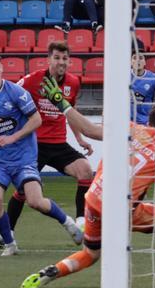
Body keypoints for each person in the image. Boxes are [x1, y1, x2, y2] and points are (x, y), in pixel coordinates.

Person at [20, 95, 155, 288]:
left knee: (91, 253)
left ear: (150, 122)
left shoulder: (130, 128)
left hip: (93, 199)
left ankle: (52, 271)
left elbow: (89, 130)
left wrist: (63, 105)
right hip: (120, 209)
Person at [0, 52, 83, 256]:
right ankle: (10, 244)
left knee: (35, 201)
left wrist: (14, 137)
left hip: (24, 159)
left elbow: (36, 120)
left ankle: (68, 223)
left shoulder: (16, 92)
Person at [6, 41, 96, 230]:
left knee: (85, 170)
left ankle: (80, 222)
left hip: (58, 144)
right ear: (48, 60)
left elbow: (70, 112)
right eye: (56, 58)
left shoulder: (73, 82)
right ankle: (8, 234)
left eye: (65, 58)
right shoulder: (31, 80)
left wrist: (79, 138)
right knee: (23, 190)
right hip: (34, 144)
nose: (61, 62)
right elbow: (10, 97)